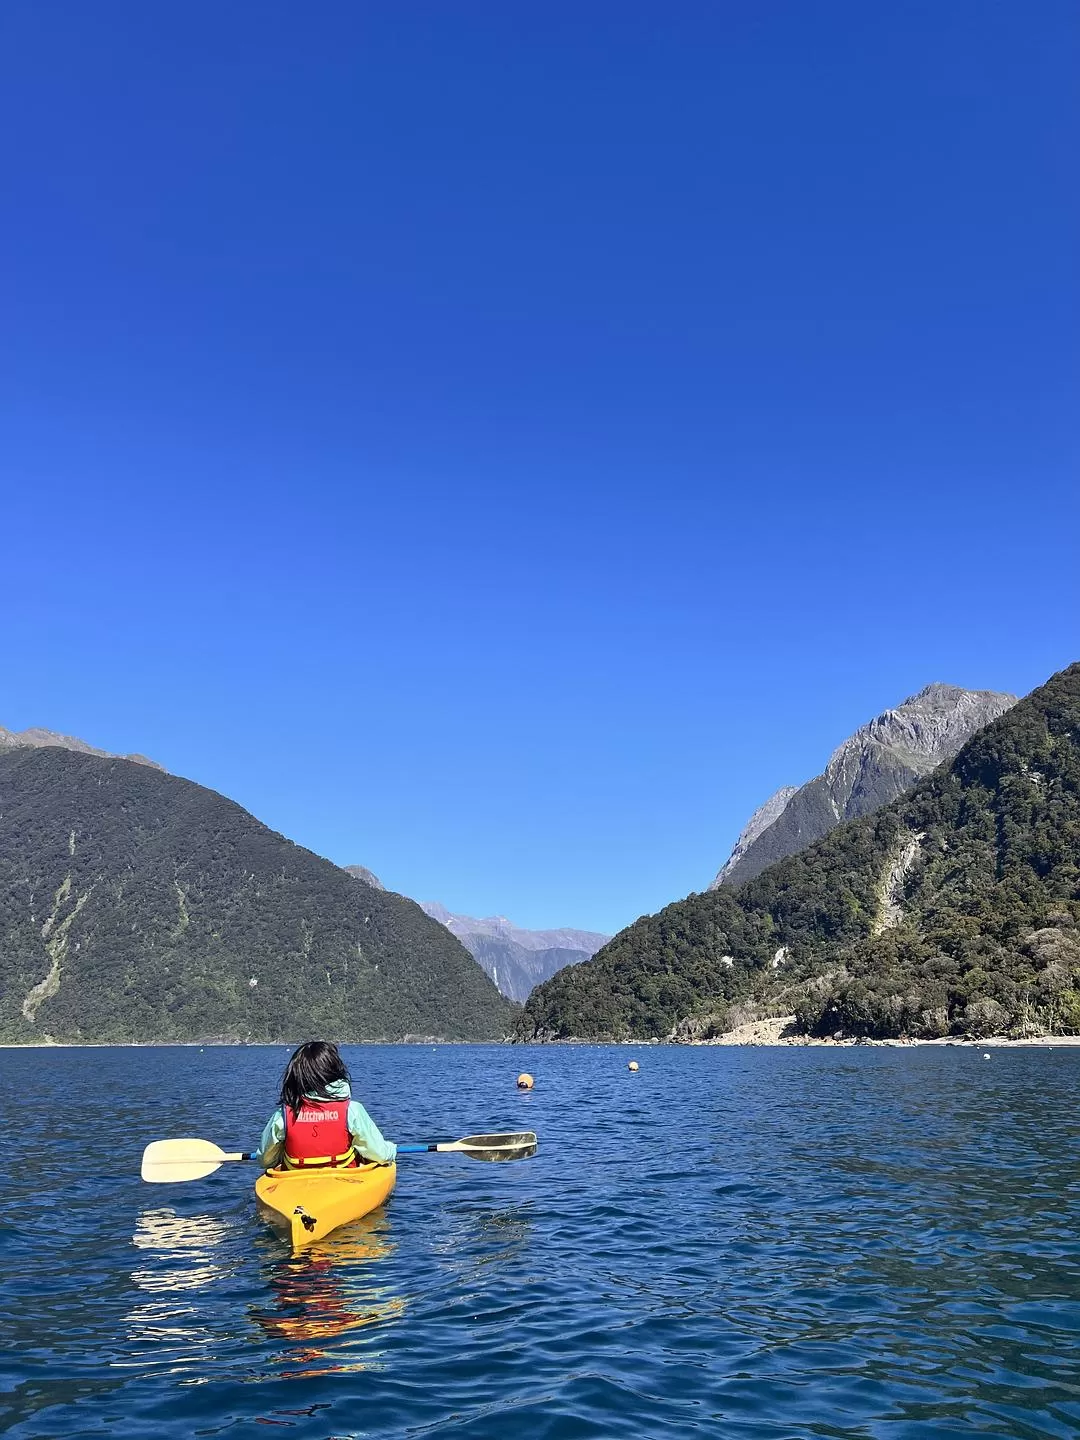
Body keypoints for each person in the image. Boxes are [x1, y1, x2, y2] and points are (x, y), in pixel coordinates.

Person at [255, 1040, 396, 1170]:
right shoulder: (352, 1110)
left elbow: (265, 1161)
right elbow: (381, 1154)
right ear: (335, 1072)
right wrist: (391, 1149)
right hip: (344, 1180)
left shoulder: (282, 1116)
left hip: (295, 1182)